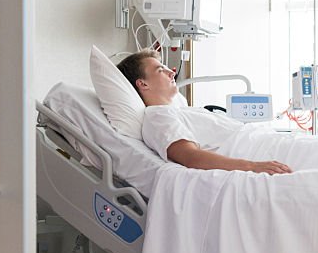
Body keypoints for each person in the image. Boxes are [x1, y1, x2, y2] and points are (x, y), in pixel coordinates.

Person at [117, 50, 292, 175]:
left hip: (267, 142)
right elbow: (191, 157)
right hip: (258, 151)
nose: (171, 72)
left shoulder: (178, 111)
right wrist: (252, 167)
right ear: (143, 84)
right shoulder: (158, 117)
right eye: (160, 70)